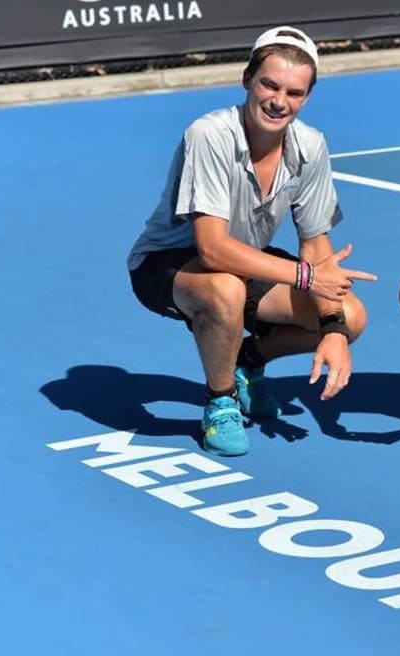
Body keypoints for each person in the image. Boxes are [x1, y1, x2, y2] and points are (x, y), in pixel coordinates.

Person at [128, 26, 376, 457]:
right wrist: (305, 277)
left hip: (246, 265)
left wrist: (332, 327)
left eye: (295, 93)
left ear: (307, 98)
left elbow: (316, 245)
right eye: (270, 85)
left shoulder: (311, 146)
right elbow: (212, 249)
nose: (280, 101)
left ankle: (247, 360)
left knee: (351, 316)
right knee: (225, 288)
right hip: (166, 265)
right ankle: (220, 399)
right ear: (248, 80)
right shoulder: (208, 134)